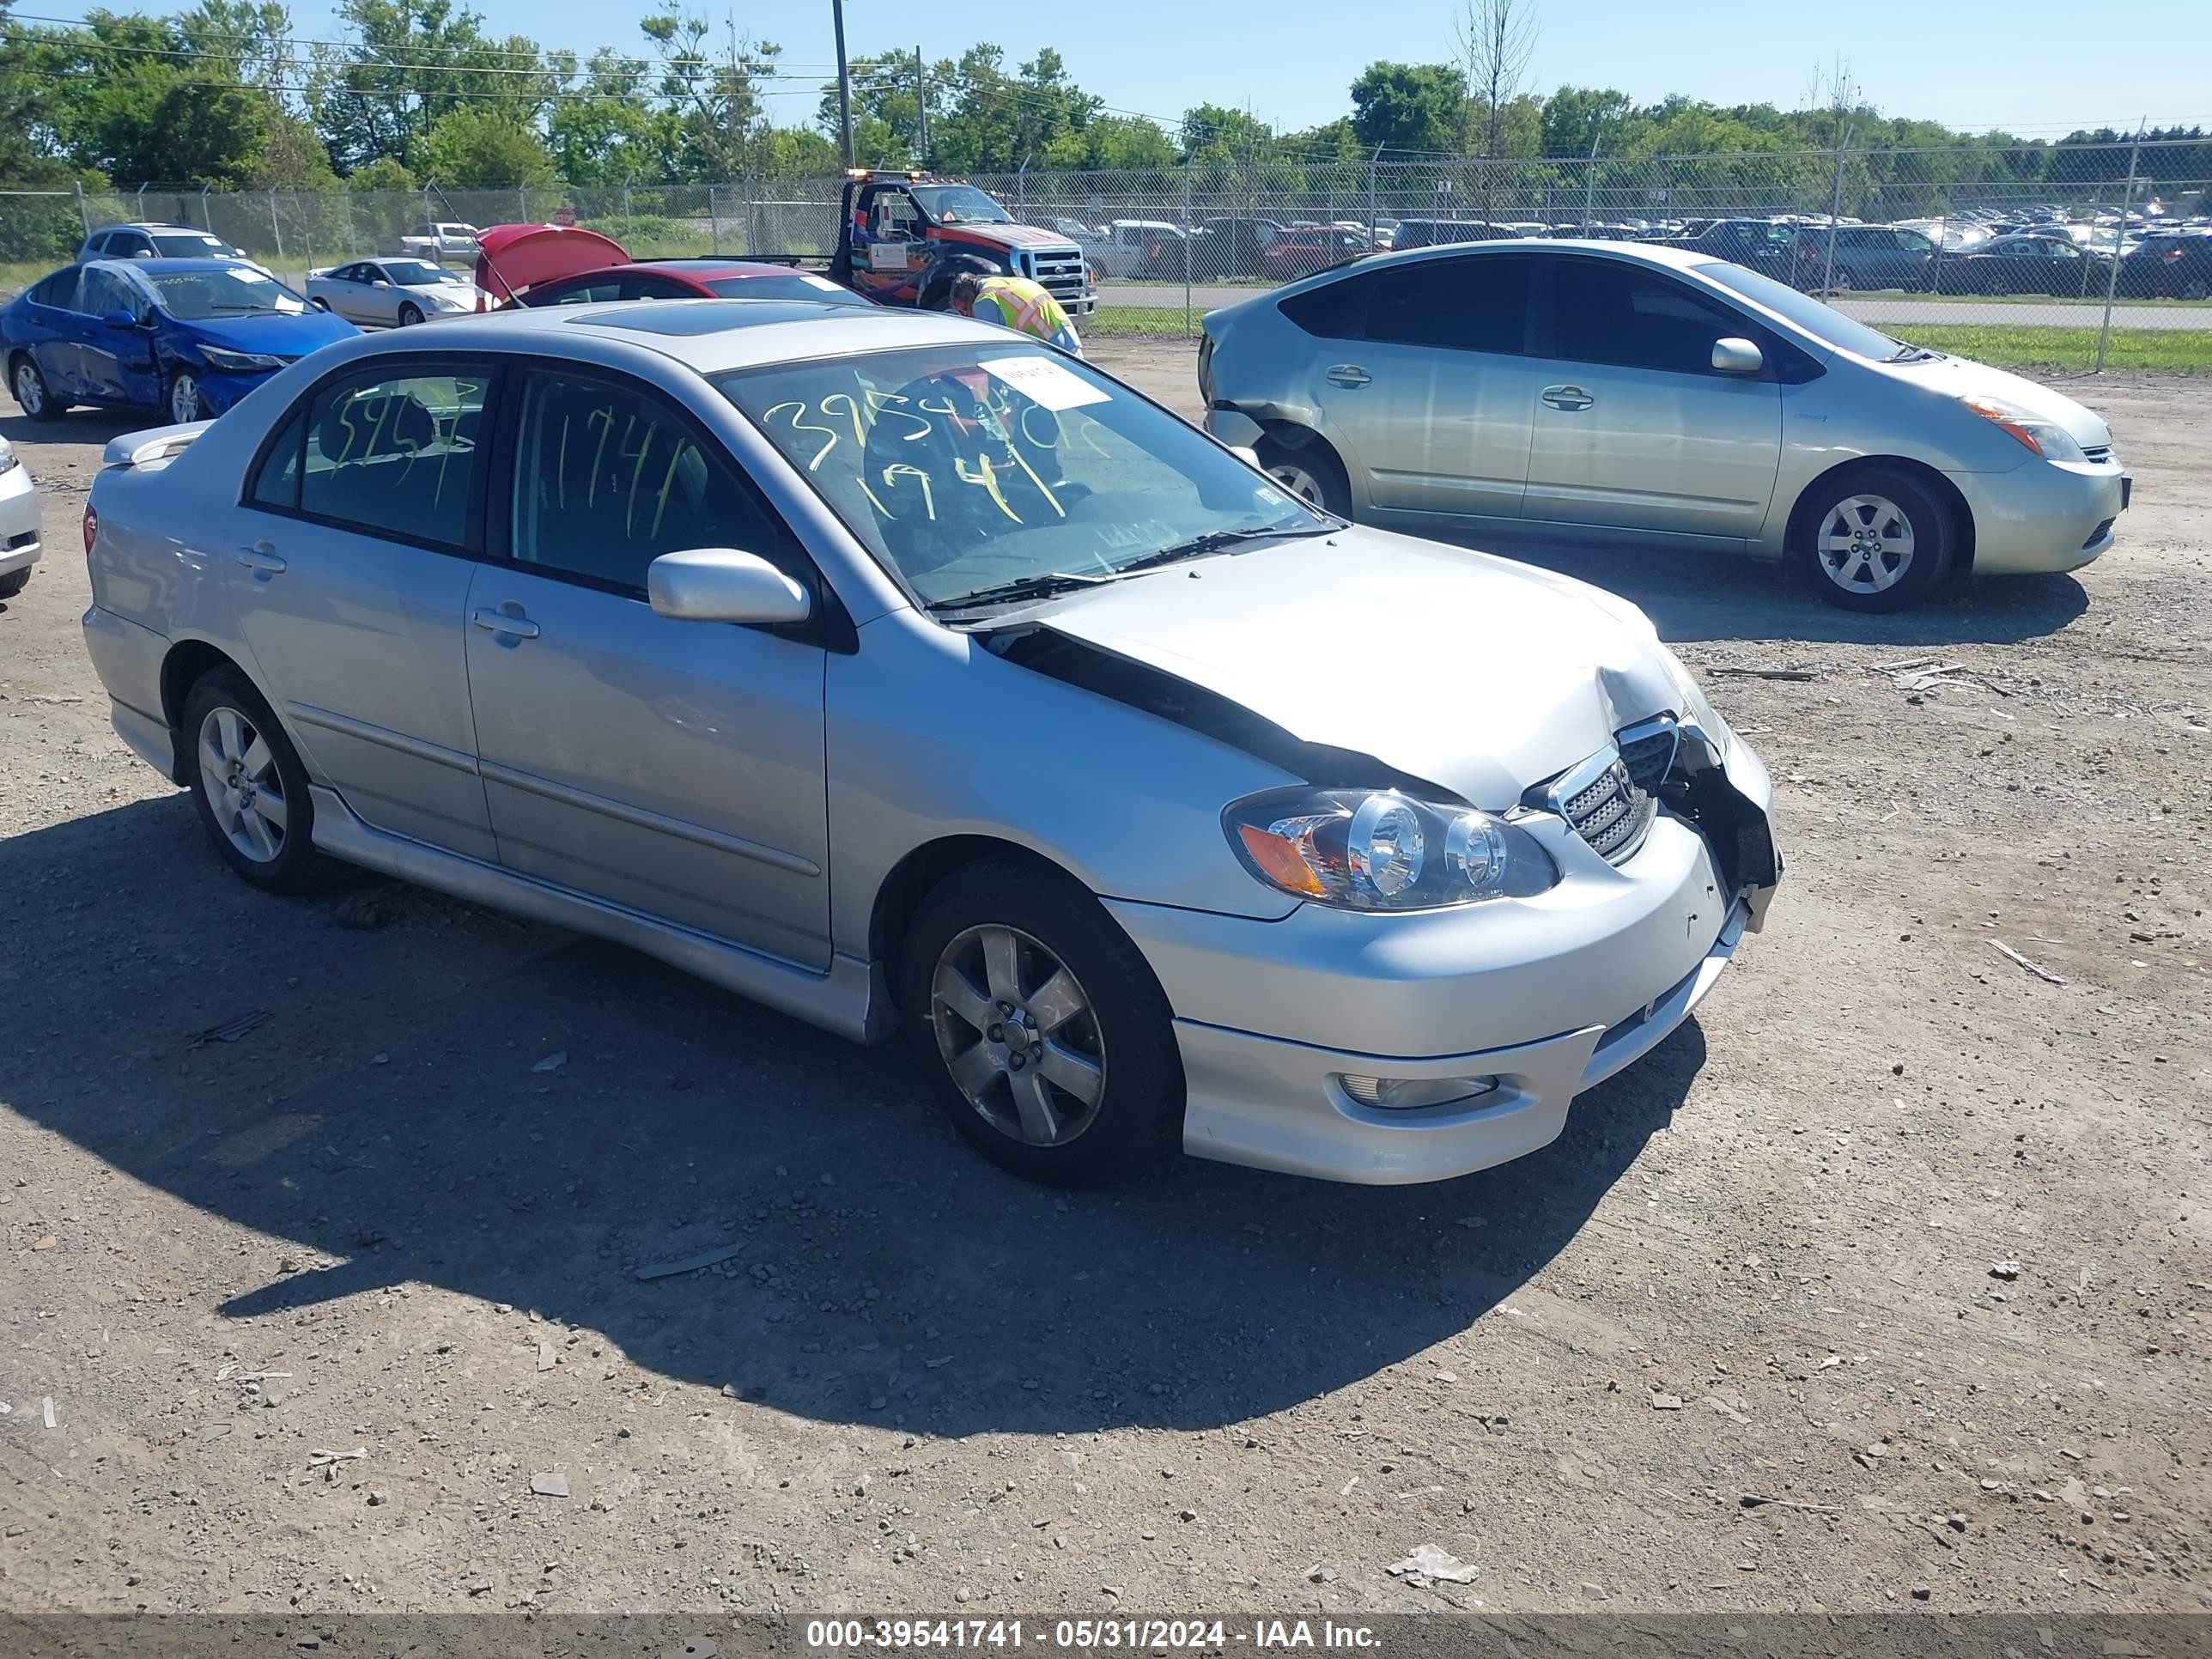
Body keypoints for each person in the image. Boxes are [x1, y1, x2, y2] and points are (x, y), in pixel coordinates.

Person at [949, 268, 1085, 358]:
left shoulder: (984, 301)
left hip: (1050, 351)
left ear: (968, 296)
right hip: (1068, 338)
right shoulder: (1004, 283)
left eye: (964, 311)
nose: (968, 315)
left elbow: (991, 352)